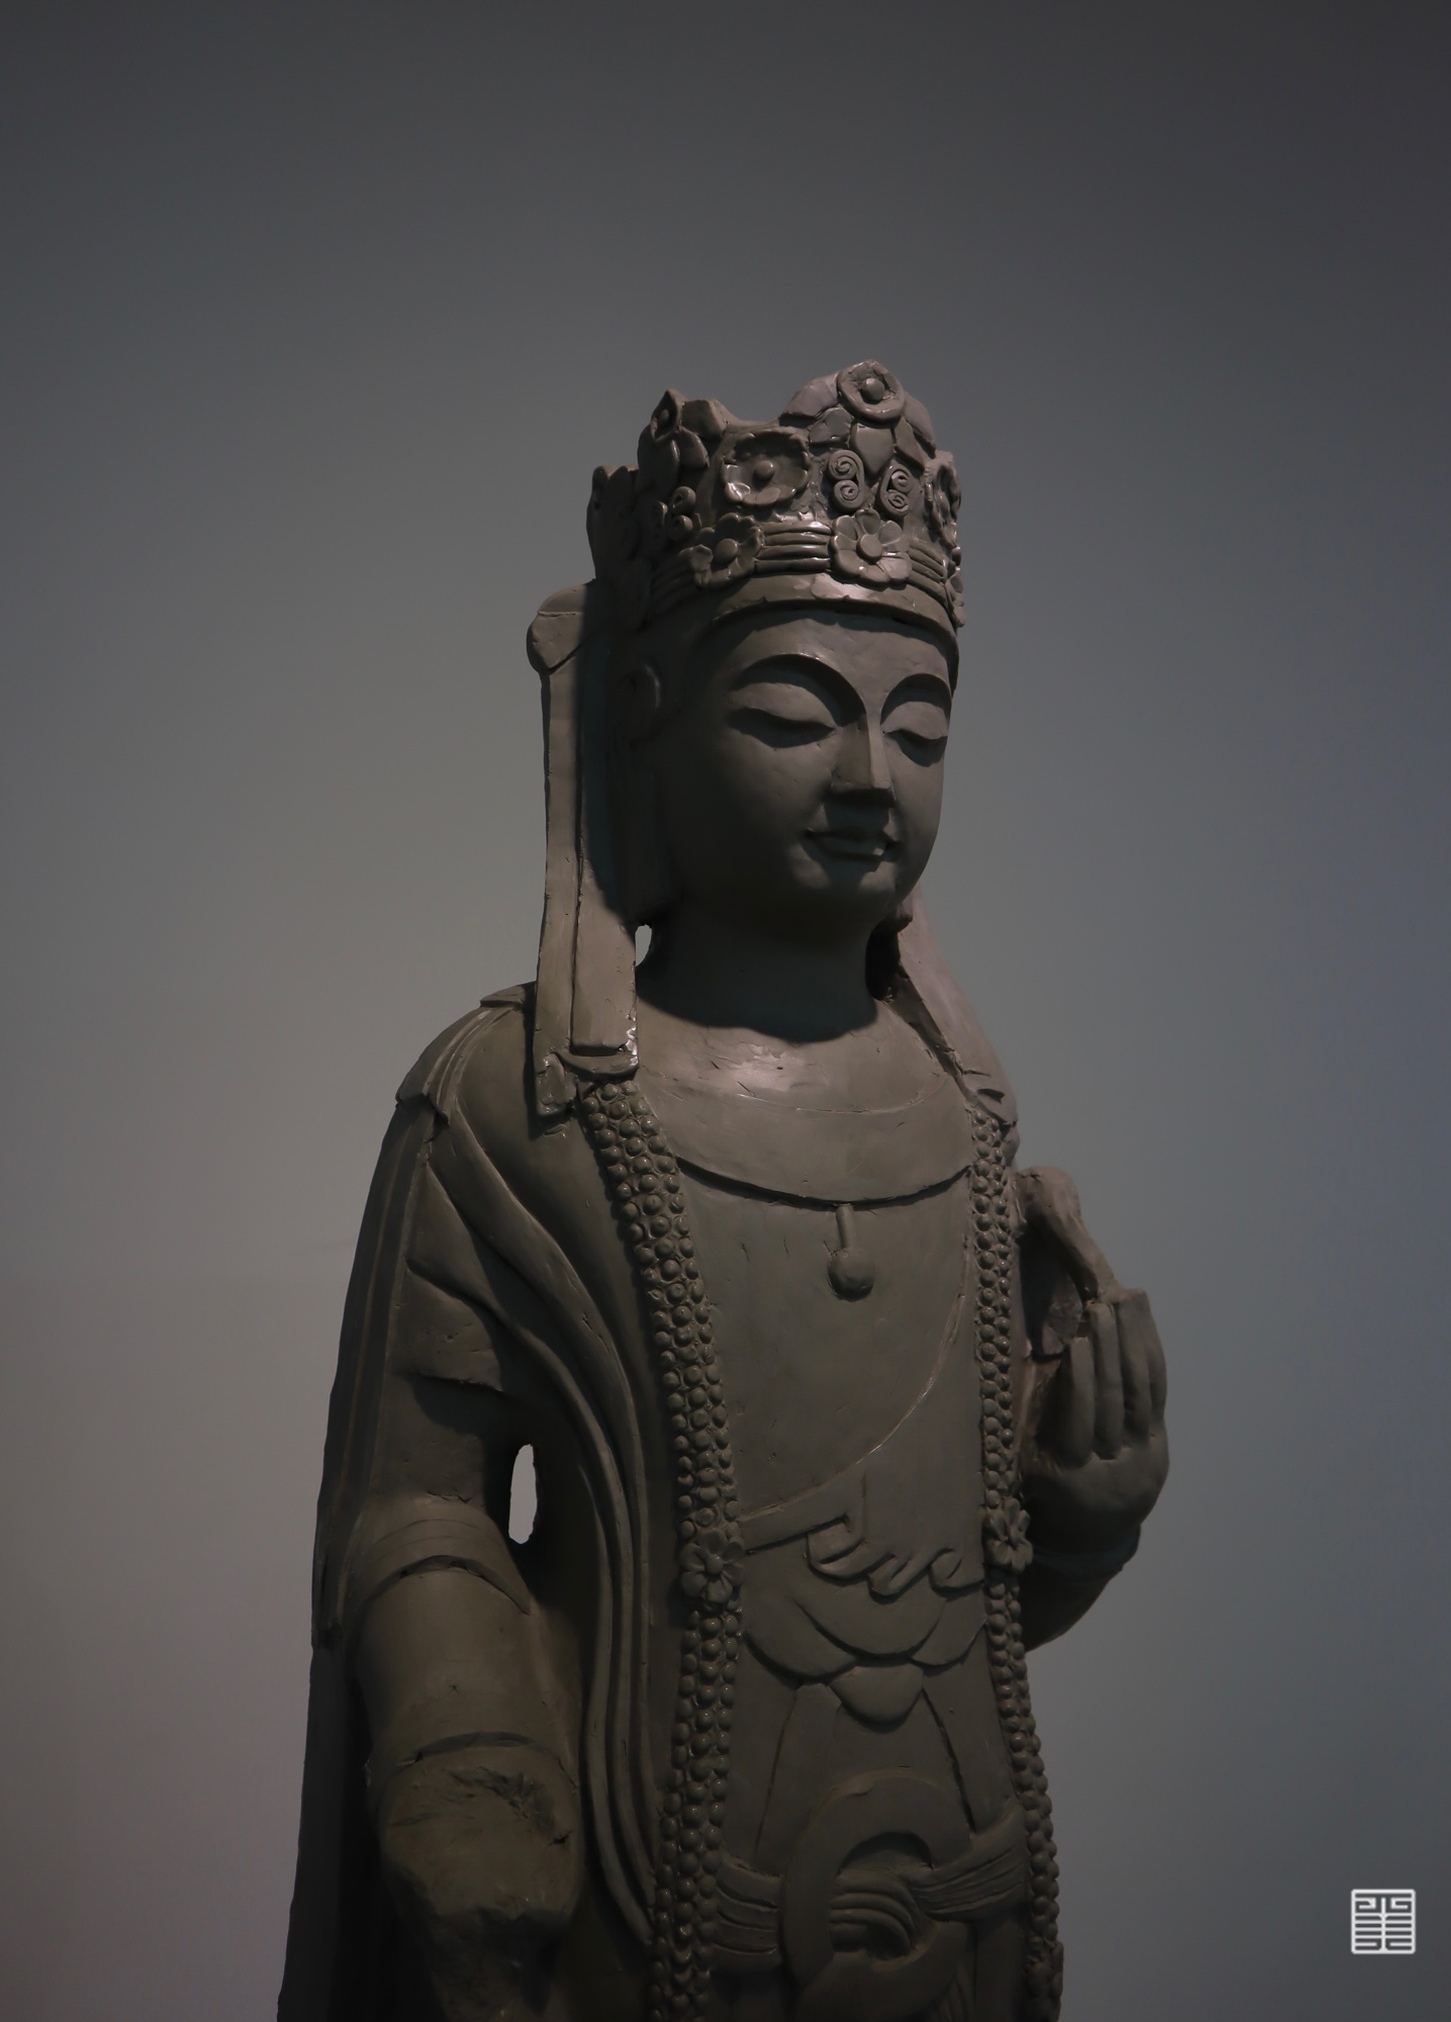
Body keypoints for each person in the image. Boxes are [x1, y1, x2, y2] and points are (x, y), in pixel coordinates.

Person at [278, 363, 1168, 2022]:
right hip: (636, 1915)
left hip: (961, 1902)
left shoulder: (964, 1124)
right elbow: (413, 1508)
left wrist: (1080, 1515)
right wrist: (470, 1748)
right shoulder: (512, 1107)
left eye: (921, 728)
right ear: (644, 715)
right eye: (792, 715)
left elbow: (940, 1610)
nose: (871, 775)